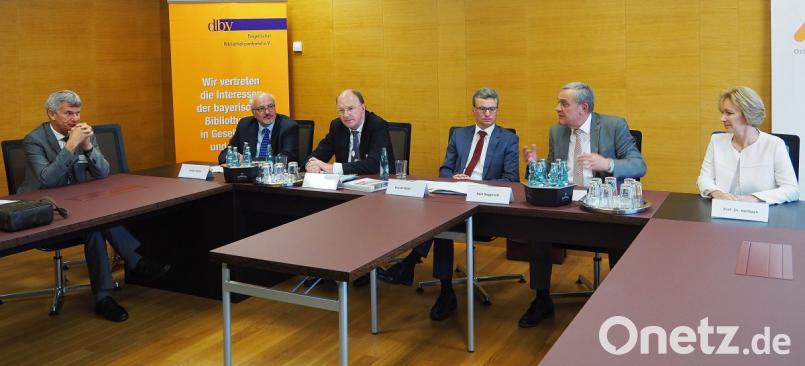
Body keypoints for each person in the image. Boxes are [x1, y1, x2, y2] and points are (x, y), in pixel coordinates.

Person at [19, 90, 170, 322]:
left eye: (78, 113)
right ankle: (135, 263)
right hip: (44, 211)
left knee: (97, 223)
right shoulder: (35, 140)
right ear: (51, 114)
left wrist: (88, 146)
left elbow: (103, 173)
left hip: (78, 206)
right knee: (95, 224)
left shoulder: (82, 135)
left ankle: (104, 297)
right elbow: (47, 180)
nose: (75, 119)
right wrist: (70, 146)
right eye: (68, 113)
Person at [379, 87, 519, 321]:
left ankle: (411, 265)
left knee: (440, 223)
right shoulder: (460, 135)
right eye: (482, 109)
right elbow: (445, 168)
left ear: (497, 109)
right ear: (473, 110)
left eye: (492, 109)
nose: (487, 114)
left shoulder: (508, 139)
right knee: (439, 220)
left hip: (485, 201)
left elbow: (511, 179)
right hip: (455, 196)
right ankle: (444, 290)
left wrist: (479, 183)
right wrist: (453, 177)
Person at [520, 82, 646, 328]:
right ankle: (542, 298)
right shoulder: (557, 131)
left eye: (564, 104)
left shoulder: (613, 125)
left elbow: (639, 165)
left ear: (584, 107)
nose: (557, 108)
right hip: (565, 203)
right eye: (558, 102)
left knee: (621, 234)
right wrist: (535, 165)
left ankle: (621, 305)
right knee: (537, 228)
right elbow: (552, 172)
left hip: (602, 206)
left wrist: (607, 163)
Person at [697, 86, 798, 204]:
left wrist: (753, 199)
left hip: (762, 214)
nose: (722, 118)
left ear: (748, 114)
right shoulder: (716, 141)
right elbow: (704, 179)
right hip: (722, 210)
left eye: (729, 113)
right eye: (722, 113)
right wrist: (718, 194)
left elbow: (792, 189)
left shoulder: (775, 144)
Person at [305, 89, 394, 175]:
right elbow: (317, 155)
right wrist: (312, 165)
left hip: (376, 182)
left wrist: (332, 168)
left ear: (363, 108)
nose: (346, 115)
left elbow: (373, 165)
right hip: (344, 186)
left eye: (350, 108)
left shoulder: (377, 125)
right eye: (341, 110)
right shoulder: (337, 126)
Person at [217, 92, 299, 164]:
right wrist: (234, 157)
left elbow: (287, 158)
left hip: (274, 175)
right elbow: (224, 154)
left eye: (270, 106)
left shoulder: (288, 126)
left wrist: (249, 160)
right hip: (247, 176)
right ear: (254, 113)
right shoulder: (245, 125)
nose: (267, 112)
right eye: (261, 109)